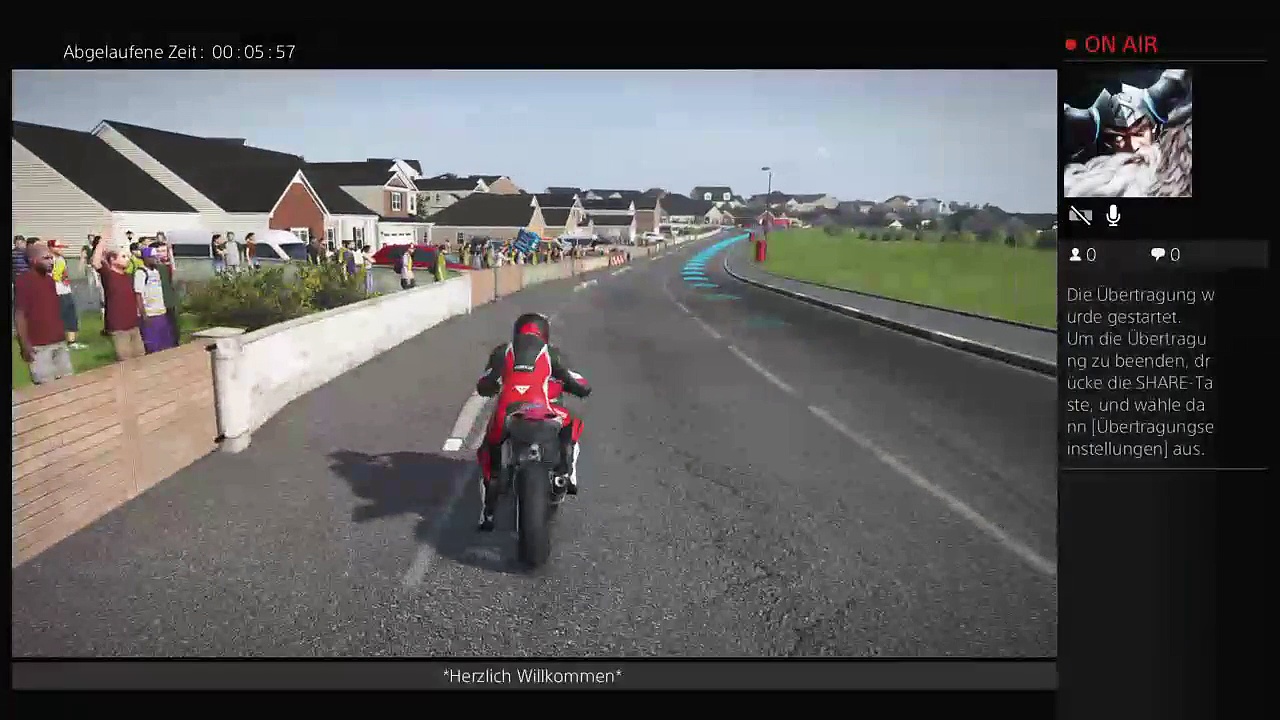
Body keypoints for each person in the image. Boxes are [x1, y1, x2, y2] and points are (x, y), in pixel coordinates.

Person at [473, 313, 591, 532]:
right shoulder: (552, 353)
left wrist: (494, 385)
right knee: (572, 423)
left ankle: (488, 510)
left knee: (489, 450)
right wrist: (575, 387)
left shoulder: (502, 351)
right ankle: (566, 471)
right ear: (544, 334)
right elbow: (580, 384)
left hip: (507, 412)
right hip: (545, 410)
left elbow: (484, 384)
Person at [14, 241, 74, 385]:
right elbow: (20, 314)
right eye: (46, 258)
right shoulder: (24, 281)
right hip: (39, 346)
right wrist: (25, 345)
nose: (51, 261)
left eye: (51, 258)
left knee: (69, 384)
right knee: (46, 388)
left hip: (59, 342)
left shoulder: (50, 280)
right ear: (33, 260)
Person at [90, 238, 145, 360]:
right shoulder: (108, 275)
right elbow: (95, 262)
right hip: (119, 327)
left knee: (141, 357)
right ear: (112, 259)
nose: (127, 259)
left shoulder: (128, 276)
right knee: (125, 359)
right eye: (123, 257)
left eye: (127, 257)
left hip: (133, 325)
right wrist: (103, 240)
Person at [48, 240, 86, 349]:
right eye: (58, 247)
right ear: (51, 248)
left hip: (66, 290)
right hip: (56, 292)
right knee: (59, 318)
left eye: (61, 247)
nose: (61, 249)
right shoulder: (49, 260)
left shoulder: (61, 259)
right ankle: (57, 341)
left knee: (71, 316)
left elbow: (65, 274)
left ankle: (71, 342)